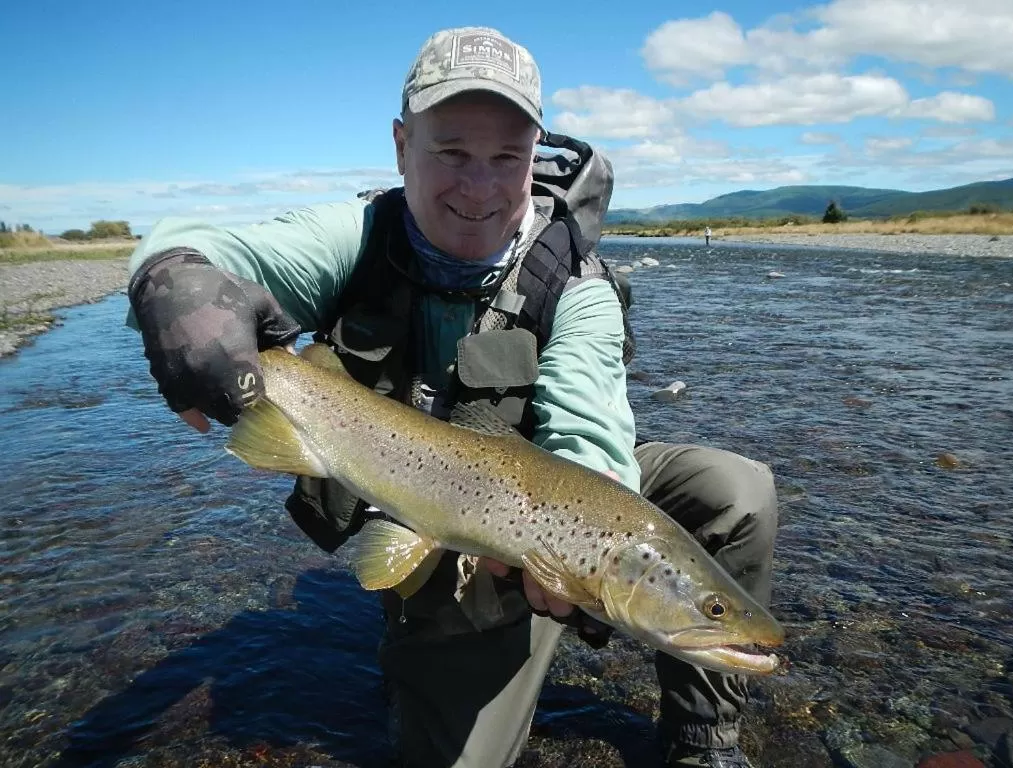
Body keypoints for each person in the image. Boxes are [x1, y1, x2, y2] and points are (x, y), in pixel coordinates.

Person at [124, 26, 778, 768]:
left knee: (736, 489)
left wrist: (582, 551)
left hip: (545, 499)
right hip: (418, 509)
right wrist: (173, 281)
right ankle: (428, 656)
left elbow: (588, 432)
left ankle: (702, 739)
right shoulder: (357, 235)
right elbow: (198, 247)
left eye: (507, 158)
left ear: (535, 157)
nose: (479, 187)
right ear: (402, 146)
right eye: (451, 153)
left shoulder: (577, 279)